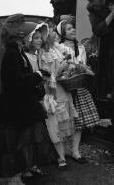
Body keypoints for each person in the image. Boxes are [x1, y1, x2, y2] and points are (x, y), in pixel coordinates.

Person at [0, 14, 57, 184]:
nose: (31, 36)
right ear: (19, 36)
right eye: (29, 33)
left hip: (22, 105)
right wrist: (38, 75)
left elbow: (22, 79)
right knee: (14, 144)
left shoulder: (16, 52)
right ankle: (14, 177)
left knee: (22, 141)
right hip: (15, 108)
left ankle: (21, 172)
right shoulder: (11, 53)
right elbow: (14, 83)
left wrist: (37, 81)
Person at [57, 19, 100, 162]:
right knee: (63, 122)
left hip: (78, 85)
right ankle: (61, 155)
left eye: (73, 28)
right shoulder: (59, 47)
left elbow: (83, 64)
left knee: (78, 123)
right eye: (69, 29)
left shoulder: (80, 47)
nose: (73, 30)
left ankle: (75, 152)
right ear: (62, 33)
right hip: (64, 88)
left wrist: (84, 70)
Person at [38, 24, 78, 169]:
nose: (54, 33)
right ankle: (60, 157)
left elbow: (68, 59)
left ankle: (60, 154)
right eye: (51, 32)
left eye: (54, 31)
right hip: (52, 93)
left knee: (63, 125)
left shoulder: (56, 48)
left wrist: (69, 67)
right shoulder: (42, 53)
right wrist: (59, 70)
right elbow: (45, 76)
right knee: (54, 125)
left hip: (63, 89)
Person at [80, 0, 114, 98]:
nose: (90, 3)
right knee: (108, 58)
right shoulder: (92, 9)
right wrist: (112, 12)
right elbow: (98, 30)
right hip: (108, 36)